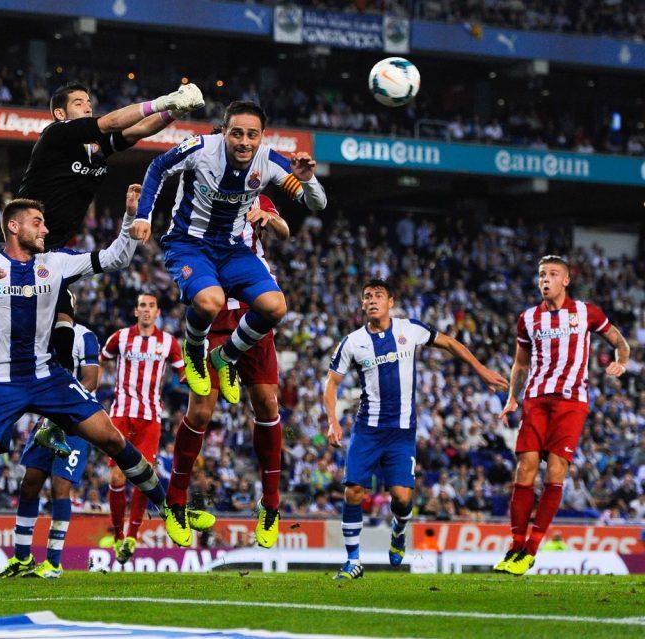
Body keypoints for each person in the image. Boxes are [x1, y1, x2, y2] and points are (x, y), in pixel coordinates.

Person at [0, 187, 189, 595]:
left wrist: (130, 219)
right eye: (37, 223)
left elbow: (113, 258)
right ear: (14, 227)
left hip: (48, 377)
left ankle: (168, 508)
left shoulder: (55, 263)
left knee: (111, 438)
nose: (44, 230)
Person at [132, 101, 326, 426]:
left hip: (232, 249)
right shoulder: (200, 149)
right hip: (189, 243)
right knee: (210, 301)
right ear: (224, 132)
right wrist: (143, 216)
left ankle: (226, 356)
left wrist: (308, 180)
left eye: (252, 135)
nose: (244, 142)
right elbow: (158, 167)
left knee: (275, 307)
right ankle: (195, 348)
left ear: (262, 136)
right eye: (237, 133)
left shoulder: (269, 161)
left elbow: (315, 203)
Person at [16, 79, 203, 378]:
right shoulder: (56, 134)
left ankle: (61, 386)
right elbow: (112, 121)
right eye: (79, 102)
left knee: (64, 320)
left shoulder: (95, 147)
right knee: (17, 328)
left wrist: (175, 112)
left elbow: (138, 130)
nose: (87, 106)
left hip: (51, 254)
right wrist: (165, 100)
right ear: (60, 114)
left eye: (89, 102)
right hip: (19, 248)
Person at [324, 279, 507, 580]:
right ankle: (353, 560)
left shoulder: (409, 329)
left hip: (401, 432)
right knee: (353, 490)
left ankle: (398, 530)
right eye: (367, 296)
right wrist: (332, 420)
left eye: (378, 295)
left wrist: (481, 370)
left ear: (391, 302)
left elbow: (450, 343)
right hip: (368, 430)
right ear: (362, 304)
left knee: (402, 498)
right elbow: (332, 383)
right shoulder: (352, 342)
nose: (372, 300)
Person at [165, 195, 290, 548]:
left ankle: (271, 505)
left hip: (252, 311)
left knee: (267, 405)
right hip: (215, 312)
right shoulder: (203, 194)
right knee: (200, 412)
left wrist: (268, 217)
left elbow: (283, 231)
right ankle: (176, 501)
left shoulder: (257, 193)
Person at [495, 255, 629, 576]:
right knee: (525, 468)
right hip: (536, 399)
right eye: (542, 274)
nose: (545, 279)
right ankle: (515, 546)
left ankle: (530, 551)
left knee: (555, 472)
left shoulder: (585, 312)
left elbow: (619, 341)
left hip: (571, 403)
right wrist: (512, 397)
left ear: (566, 280)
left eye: (553, 274)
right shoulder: (528, 318)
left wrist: (621, 361)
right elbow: (521, 363)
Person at [1, 297, 101, 579]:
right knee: (30, 482)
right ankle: (22, 557)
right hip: (47, 420)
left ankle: (54, 562)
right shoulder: (41, 335)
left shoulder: (85, 337)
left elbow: (91, 379)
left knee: (60, 486)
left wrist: (61, 408)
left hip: (76, 421)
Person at [101, 292, 186, 564]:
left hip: (150, 418)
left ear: (158, 312)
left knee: (144, 476)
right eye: (142, 306)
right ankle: (118, 535)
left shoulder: (169, 343)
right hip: (121, 415)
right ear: (136, 311)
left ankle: (132, 536)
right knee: (117, 478)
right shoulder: (120, 337)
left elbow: (184, 374)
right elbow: (101, 359)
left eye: (151, 306)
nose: (146, 310)